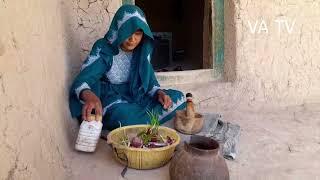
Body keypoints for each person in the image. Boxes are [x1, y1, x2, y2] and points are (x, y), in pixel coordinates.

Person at [69, 5, 186, 130]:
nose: (132, 39)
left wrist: (159, 93)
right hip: (113, 99)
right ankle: (140, 121)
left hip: (137, 94)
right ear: (119, 29)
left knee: (178, 98)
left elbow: (149, 82)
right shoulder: (104, 48)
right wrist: (90, 96)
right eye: (128, 33)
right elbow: (82, 81)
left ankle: (140, 122)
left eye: (138, 34)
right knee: (124, 116)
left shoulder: (141, 51)